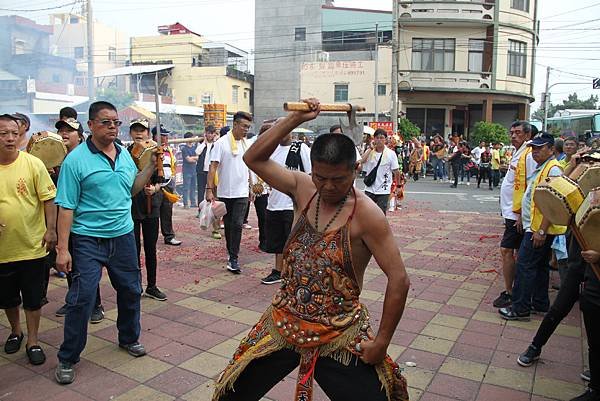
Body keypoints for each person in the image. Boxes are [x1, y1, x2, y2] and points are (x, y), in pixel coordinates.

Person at [213, 98, 410, 401]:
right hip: (284, 322)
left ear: (354, 171)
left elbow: (399, 279)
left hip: (338, 331)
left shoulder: (369, 216)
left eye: (338, 179)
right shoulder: (302, 187)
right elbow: (253, 158)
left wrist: (381, 342)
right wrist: (294, 120)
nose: (328, 187)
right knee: (232, 392)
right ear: (312, 170)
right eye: (321, 177)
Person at [54, 101, 155, 384]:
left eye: (116, 123)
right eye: (106, 122)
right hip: (88, 239)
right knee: (81, 298)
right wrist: (63, 249)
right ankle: (67, 357)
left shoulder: (124, 155)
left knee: (131, 289)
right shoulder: (75, 160)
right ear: (90, 125)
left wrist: (148, 168)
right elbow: (66, 207)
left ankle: (128, 337)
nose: (113, 127)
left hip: (122, 235)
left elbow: (131, 189)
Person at [0, 114, 57, 366]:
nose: (10, 138)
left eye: (14, 132)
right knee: (7, 299)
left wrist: (51, 230)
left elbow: (48, 198)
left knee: (33, 299)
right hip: (2, 250)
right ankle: (16, 331)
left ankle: (33, 340)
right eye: (3, 133)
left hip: (33, 247)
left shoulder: (33, 164)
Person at [499, 133, 566, 321]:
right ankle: (540, 302)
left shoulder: (553, 170)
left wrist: (541, 231)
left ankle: (520, 308)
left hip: (539, 229)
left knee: (525, 266)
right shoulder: (543, 167)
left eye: (540, 147)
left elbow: (552, 203)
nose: (535, 151)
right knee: (540, 266)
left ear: (551, 149)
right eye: (534, 148)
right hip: (536, 227)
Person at [53, 118, 105, 322]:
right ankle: (72, 299)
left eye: (70, 131)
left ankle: (96, 305)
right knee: (68, 263)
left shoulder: (84, 158)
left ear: (81, 136)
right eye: (61, 130)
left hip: (85, 224)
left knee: (88, 269)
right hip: (63, 220)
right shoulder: (53, 158)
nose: (64, 134)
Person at [261, 119, 311, 285]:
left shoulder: (300, 148)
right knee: (277, 242)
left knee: (295, 242)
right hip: (274, 203)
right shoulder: (271, 150)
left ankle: (294, 272)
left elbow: (310, 174)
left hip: (293, 205)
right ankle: (278, 271)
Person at [493, 121, 537, 309]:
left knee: (507, 251)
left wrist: (520, 214)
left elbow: (530, 186)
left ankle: (511, 292)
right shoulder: (519, 152)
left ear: (527, 135)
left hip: (516, 213)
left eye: (518, 133)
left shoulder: (528, 154)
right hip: (511, 211)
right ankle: (515, 290)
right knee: (513, 252)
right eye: (511, 132)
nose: (513, 136)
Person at [206, 111, 253, 274]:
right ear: (235, 125)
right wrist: (209, 189)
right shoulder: (221, 143)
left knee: (238, 224)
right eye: (244, 126)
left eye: (248, 127)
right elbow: (213, 167)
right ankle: (230, 252)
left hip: (241, 193)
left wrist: (251, 187)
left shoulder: (246, 144)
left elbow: (249, 168)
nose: (246, 130)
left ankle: (234, 257)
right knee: (229, 225)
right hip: (225, 192)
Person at [128, 120, 167, 301]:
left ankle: (152, 285)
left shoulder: (156, 152)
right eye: (135, 130)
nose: (139, 134)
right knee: (133, 249)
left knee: (150, 248)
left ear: (147, 134)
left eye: (142, 130)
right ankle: (135, 285)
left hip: (151, 205)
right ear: (130, 133)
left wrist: (156, 188)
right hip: (132, 206)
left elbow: (163, 178)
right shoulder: (124, 153)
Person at [361, 128, 401, 215]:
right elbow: (362, 161)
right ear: (374, 139)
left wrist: (398, 185)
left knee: (380, 214)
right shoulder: (370, 152)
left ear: (385, 139)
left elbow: (396, 171)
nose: (379, 140)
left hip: (383, 190)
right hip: (370, 188)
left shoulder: (391, 154)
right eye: (377, 138)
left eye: (381, 138)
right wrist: (370, 148)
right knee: (367, 213)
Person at [154, 125, 182, 246]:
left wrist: (172, 181)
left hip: (168, 183)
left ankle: (169, 236)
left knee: (167, 211)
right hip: (155, 184)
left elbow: (173, 165)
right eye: (163, 135)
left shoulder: (169, 150)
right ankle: (152, 237)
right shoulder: (151, 149)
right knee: (153, 213)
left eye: (166, 135)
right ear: (155, 136)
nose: (166, 138)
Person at [196, 125, 222, 239]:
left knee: (215, 196)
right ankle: (200, 209)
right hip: (202, 171)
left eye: (212, 133)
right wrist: (205, 143)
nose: (210, 135)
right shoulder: (202, 144)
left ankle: (215, 222)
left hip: (214, 173)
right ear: (205, 133)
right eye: (208, 133)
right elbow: (197, 152)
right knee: (201, 191)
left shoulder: (218, 144)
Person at [180, 132, 198, 209]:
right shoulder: (184, 149)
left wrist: (193, 158)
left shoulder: (194, 147)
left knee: (193, 187)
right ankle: (185, 203)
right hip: (187, 170)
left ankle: (193, 203)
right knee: (186, 187)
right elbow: (188, 160)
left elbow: (197, 157)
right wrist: (195, 158)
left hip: (194, 170)